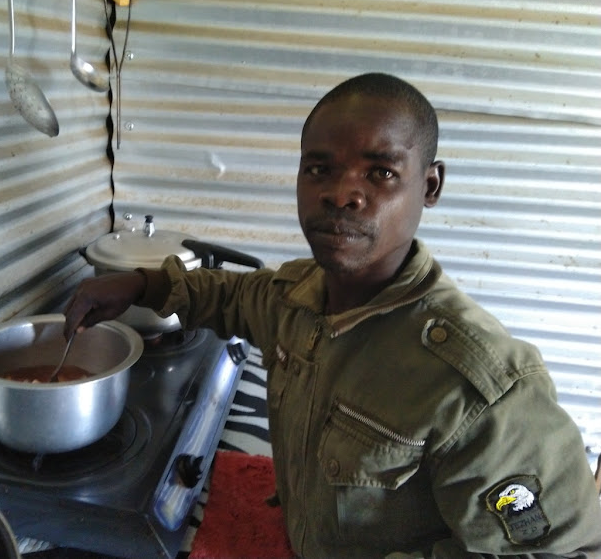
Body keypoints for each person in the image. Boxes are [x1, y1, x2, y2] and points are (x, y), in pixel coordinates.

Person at [63, 73, 601, 558]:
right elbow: (229, 295)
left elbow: (556, 553)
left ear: (430, 186)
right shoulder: (299, 294)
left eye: (381, 172)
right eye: (319, 168)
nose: (342, 193)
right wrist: (141, 283)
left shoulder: (483, 388)